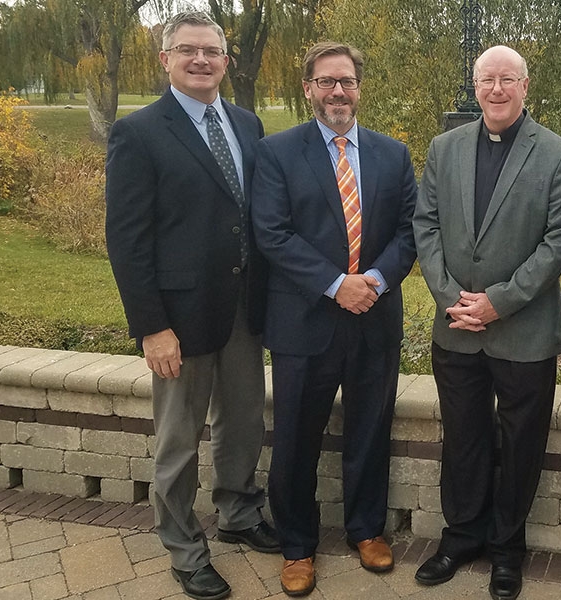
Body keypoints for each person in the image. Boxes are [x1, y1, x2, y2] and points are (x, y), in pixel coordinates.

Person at [105, 11, 278, 600]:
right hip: (179, 317)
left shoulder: (248, 124)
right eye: (187, 51)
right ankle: (183, 547)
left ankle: (239, 513)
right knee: (179, 438)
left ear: (226, 61)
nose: (200, 60)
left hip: (243, 308)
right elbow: (126, 240)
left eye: (211, 51)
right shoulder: (139, 133)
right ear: (165, 60)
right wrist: (152, 328)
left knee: (244, 420)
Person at [412, 45, 561, 600]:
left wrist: (497, 302)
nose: (497, 90)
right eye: (487, 80)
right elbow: (426, 225)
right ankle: (461, 536)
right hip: (454, 326)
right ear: (475, 85)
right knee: (462, 437)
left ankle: (508, 547)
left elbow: (560, 240)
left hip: (523, 331)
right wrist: (448, 296)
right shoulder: (444, 148)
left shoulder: (559, 155)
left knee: (521, 442)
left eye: (508, 79)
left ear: (525, 86)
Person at [251, 41, 417, 597]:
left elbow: (410, 231)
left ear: (359, 87)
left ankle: (366, 530)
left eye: (346, 81)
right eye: (326, 82)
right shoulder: (277, 152)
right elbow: (272, 232)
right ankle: (297, 545)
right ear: (309, 89)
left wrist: (372, 282)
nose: (337, 91)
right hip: (305, 322)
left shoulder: (393, 154)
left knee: (371, 430)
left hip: (374, 316)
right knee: (296, 436)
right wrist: (334, 284)